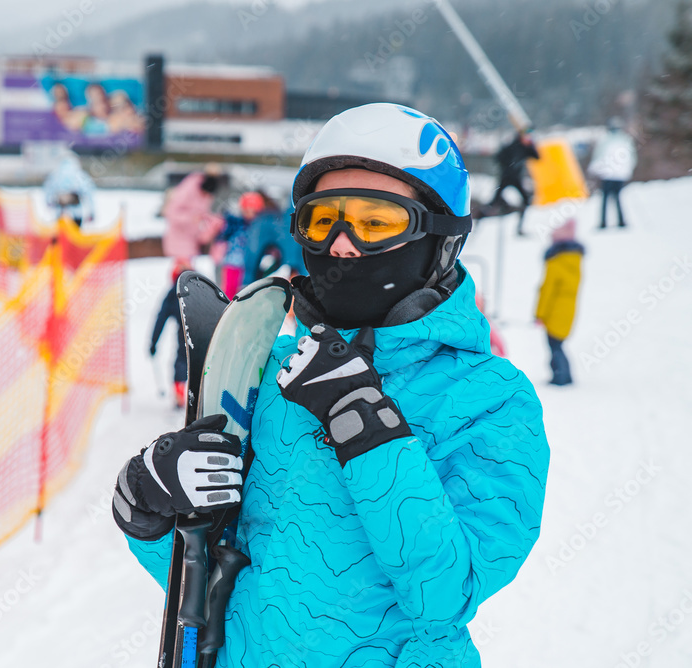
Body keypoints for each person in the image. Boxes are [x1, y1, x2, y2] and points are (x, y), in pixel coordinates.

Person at [113, 103, 550, 667]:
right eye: (323, 221)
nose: (342, 245)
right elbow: (216, 577)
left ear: (441, 238)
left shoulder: (490, 399)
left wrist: (365, 424)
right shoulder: (266, 370)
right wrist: (152, 511)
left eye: (375, 222)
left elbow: (447, 596)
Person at [535, 219, 584, 385]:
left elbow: (547, 292)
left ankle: (560, 376)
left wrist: (540, 314)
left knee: (554, 346)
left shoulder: (555, 263)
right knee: (559, 345)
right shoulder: (574, 261)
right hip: (568, 311)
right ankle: (566, 375)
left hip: (554, 312)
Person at [150, 261, 192, 408]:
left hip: (185, 329)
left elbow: (160, 319)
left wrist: (153, 342)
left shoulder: (172, 293)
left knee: (182, 360)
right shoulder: (199, 286)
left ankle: (180, 394)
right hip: (204, 329)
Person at [161, 168, 224, 265]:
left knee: (187, 267)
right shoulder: (187, 191)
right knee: (182, 266)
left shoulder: (205, 195)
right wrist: (191, 218)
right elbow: (171, 212)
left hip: (192, 240)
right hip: (179, 238)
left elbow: (202, 214)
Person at [588, 118, 637, 229]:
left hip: (607, 174)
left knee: (605, 199)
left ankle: (603, 222)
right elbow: (632, 157)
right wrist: (629, 170)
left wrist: (593, 169)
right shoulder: (625, 140)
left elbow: (598, 156)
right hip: (620, 174)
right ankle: (621, 221)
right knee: (617, 198)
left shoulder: (606, 140)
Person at [488, 130, 540, 235]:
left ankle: (519, 227)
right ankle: (481, 222)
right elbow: (498, 157)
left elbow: (537, 157)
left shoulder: (526, 148)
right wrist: (506, 166)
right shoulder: (511, 146)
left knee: (526, 200)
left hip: (516, 178)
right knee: (494, 202)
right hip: (506, 177)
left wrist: (531, 145)